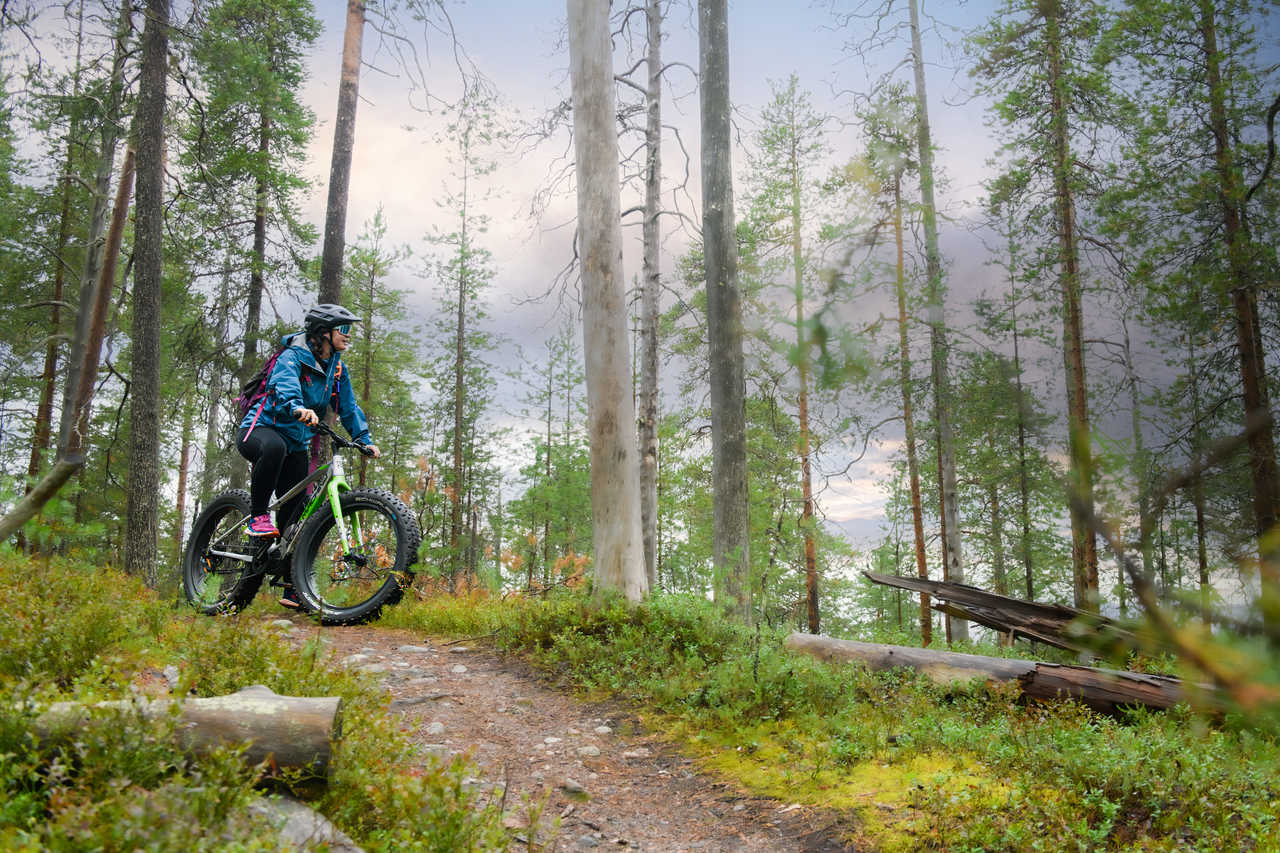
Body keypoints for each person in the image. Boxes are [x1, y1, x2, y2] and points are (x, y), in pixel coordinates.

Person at [236, 304, 381, 604]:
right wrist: (297, 407)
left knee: (298, 512)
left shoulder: (337, 368)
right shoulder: (292, 355)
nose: (348, 335)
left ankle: (292, 584)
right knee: (274, 448)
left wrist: (363, 439)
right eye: (343, 329)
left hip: (297, 442)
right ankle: (258, 516)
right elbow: (283, 384)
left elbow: (349, 407)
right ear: (323, 333)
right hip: (262, 429)